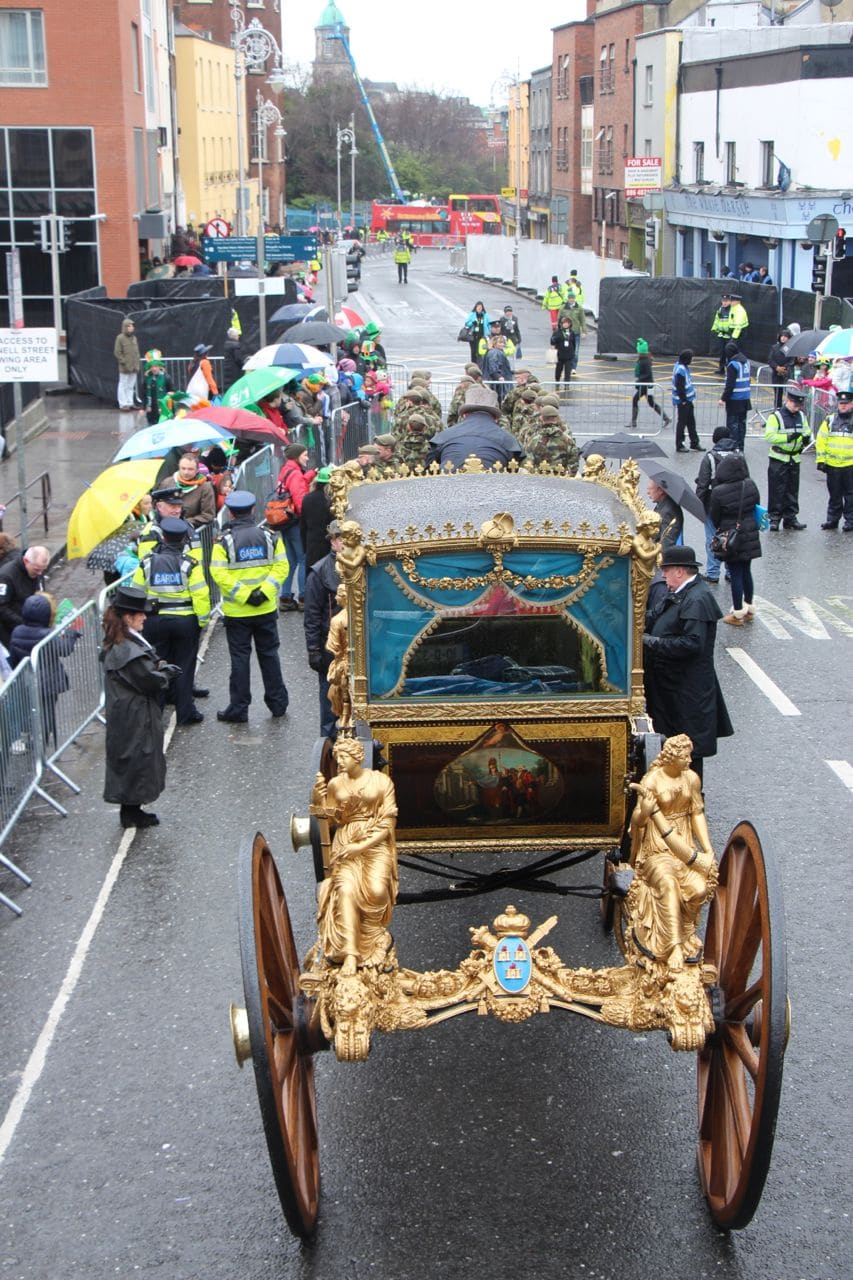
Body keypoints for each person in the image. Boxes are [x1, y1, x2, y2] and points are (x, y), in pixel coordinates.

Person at [642, 545, 733, 781]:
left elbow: (692, 644)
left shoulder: (697, 599)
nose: (663, 575)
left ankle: (691, 794)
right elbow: (654, 617)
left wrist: (652, 642)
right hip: (672, 685)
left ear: (679, 571)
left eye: (666, 570)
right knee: (671, 739)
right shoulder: (679, 592)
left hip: (687, 690)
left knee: (687, 746)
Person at [628, 735, 717, 972]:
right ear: (672, 757)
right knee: (668, 883)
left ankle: (685, 933)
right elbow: (637, 820)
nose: (689, 760)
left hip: (683, 844)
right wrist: (646, 811)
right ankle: (673, 946)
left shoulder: (691, 778)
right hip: (657, 845)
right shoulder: (652, 781)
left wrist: (707, 849)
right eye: (685, 756)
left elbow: (696, 813)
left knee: (698, 889)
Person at [311, 735, 398, 974]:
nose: (339, 761)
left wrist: (361, 847)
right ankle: (351, 952)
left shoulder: (381, 781)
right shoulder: (335, 785)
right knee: (346, 891)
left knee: (377, 891)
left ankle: (373, 936)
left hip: (374, 843)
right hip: (345, 843)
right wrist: (318, 800)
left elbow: (388, 821)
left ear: (357, 757)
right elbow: (329, 820)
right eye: (337, 757)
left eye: (344, 756)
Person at [210, 490, 289, 723]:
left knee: (240, 660)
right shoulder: (270, 537)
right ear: (253, 510)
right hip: (265, 610)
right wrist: (263, 592)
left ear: (231, 513)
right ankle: (278, 704)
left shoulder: (223, 542)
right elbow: (282, 567)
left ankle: (239, 708)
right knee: (270, 656)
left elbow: (218, 573)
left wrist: (244, 595)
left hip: (237, 613)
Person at [100, 585, 171, 829]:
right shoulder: (126, 648)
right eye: (140, 613)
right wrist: (166, 674)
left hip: (129, 711)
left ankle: (132, 810)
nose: (145, 617)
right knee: (137, 760)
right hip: (133, 715)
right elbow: (148, 679)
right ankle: (131, 813)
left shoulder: (123, 641)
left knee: (135, 759)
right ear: (128, 617)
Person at [132, 516, 210, 725]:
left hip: (154, 621)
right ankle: (186, 712)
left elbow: (136, 591)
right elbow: (201, 594)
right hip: (185, 621)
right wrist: (202, 621)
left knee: (157, 666)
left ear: (163, 538)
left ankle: (155, 713)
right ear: (184, 539)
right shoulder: (189, 564)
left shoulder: (147, 562)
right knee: (184, 666)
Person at [9, 592, 81, 748]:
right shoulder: (47, 635)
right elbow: (65, 650)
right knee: (47, 712)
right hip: (49, 682)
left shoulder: (17, 631)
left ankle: (30, 737)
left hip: (26, 680)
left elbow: (14, 658)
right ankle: (43, 744)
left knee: (29, 709)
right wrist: (71, 634)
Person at [708, 450, 762, 626]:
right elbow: (756, 504)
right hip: (750, 532)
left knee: (735, 572)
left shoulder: (718, 491)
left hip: (731, 535)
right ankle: (749, 607)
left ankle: (737, 613)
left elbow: (714, 516)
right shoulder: (750, 484)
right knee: (746, 570)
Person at [303, 521, 344, 738]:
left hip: (357, 642)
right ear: (332, 541)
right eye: (340, 539)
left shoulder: (361, 565)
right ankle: (330, 740)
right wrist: (313, 650)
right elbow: (312, 616)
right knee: (330, 696)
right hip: (331, 646)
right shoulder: (319, 573)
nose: (344, 544)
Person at [426, 386, 524, 471]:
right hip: (492, 485)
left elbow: (429, 470)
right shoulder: (508, 440)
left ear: (464, 415)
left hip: (449, 484)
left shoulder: (443, 437)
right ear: (496, 418)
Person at [694, 426, 738, 585]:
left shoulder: (709, 458)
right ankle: (731, 571)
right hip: (732, 503)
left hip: (712, 504)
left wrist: (698, 505)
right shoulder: (738, 455)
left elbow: (703, 484)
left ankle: (713, 573)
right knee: (731, 537)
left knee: (712, 537)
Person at [764, 382, 810, 531]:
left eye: (799, 406)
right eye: (795, 405)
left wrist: (806, 438)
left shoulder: (801, 416)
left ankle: (790, 518)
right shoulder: (776, 417)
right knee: (777, 490)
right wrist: (788, 437)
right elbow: (769, 436)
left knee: (792, 490)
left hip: (794, 458)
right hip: (779, 457)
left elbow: (806, 430)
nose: (797, 408)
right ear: (788, 401)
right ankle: (774, 518)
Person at [276, 443, 316, 611]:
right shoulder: (296, 474)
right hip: (295, 523)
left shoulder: (287, 470)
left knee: (291, 561)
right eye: (305, 455)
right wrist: (309, 520)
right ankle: (303, 597)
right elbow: (300, 501)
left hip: (285, 522)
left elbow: (296, 484)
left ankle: (285, 596)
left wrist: (310, 474)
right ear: (297, 456)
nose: (307, 457)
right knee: (303, 559)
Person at [815, 388, 853, 531]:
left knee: (851, 496)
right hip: (833, 465)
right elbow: (821, 440)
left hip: (850, 465)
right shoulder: (830, 419)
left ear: (852, 404)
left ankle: (850, 521)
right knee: (834, 495)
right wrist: (821, 460)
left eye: (846, 403)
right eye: (841, 403)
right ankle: (832, 520)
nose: (843, 406)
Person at [0, 545, 50, 649]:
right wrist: (24, 623)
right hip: (11, 632)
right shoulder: (6, 576)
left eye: (43, 569)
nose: (40, 573)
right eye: (37, 569)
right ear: (26, 561)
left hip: (33, 627)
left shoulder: (36, 569)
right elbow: (2, 607)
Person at [718, 340, 751, 451]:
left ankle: (733, 448)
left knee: (733, 425)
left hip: (735, 399)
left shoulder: (733, 365)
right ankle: (741, 447)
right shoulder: (746, 362)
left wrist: (723, 398)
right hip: (745, 398)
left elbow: (730, 385)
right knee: (742, 425)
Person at [631, 340, 670, 429]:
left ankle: (633, 421)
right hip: (648, 385)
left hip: (645, 385)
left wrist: (638, 381)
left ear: (640, 351)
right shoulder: (645, 359)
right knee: (651, 403)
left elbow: (647, 374)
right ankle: (666, 418)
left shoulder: (644, 361)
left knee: (635, 400)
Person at [171, 452, 216, 528]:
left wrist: (184, 523)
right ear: (178, 467)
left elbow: (208, 515)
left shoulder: (205, 487)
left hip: (191, 529)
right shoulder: (168, 482)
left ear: (197, 470)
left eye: (190, 469)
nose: (186, 472)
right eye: (183, 468)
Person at [301, 466, 334, 568]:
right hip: (329, 546)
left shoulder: (307, 498)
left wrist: (305, 548)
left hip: (312, 546)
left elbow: (303, 527)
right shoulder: (332, 500)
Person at [671, 349, 701, 452]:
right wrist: (683, 400)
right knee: (682, 423)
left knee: (691, 422)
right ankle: (680, 444)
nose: (692, 360)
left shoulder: (681, 367)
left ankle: (694, 442)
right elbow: (680, 386)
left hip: (688, 399)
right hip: (684, 401)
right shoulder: (681, 370)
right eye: (691, 358)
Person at [646, 478, 683, 551]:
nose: (648, 492)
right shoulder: (662, 505)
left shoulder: (668, 511)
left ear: (660, 491)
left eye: (650, 489)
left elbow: (666, 542)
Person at [114, 318, 140, 411]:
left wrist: (137, 363)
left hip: (134, 366)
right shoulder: (120, 338)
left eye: (132, 326)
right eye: (129, 326)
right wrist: (124, 362)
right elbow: (117, 352)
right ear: (125, 327)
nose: (131, 328)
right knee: (123, 385)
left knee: (130, 386)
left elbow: (136, 352)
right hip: (125, 367)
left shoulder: (134, 338)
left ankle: (130, 402)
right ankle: (123, 404)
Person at [482, 335, 513, 403]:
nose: (502, 344)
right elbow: (493, 367)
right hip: (496, 383)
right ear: (494, 343)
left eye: (503, 342)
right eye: (500, 342)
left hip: (495, 381)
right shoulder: (495, 353)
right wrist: (498, 377)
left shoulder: (494, 352)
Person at [768, 328, 793, 409]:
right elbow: (770, 360)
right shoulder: (774, 347)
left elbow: (791, 360)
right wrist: (777, 367)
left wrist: (784, 368)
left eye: (785, 336)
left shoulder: (790, 348)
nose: (783, 338)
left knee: (788, 393)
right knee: (777, 393)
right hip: (776, 374)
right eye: (782, 336)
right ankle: (777, 409)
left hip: (787, 374)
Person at [550, 317, 577, 387]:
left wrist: (573, 353)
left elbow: (573, 343)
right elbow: (552, 341)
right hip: (560, 355)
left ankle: (567, 384)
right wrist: (553, 348)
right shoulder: (557, 332)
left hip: (569, 355)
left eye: (567, 323)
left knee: (568, 371)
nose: (565, 324)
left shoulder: (572, 332)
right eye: (564, 323)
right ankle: (557, 381)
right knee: (559, 370)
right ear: (561, 324)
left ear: (570, 324)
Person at [710, 293, 732, 374]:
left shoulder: (732, 310)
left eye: (726, 301)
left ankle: (730, 370)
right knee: (722, 353)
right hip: (721, 335)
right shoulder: (720, 309)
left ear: (730, 301)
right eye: (723, 301)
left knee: (730, 353)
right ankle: (721, 369)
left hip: (729, 335)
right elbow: (717, 320)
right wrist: (714, 329)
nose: (724, 303)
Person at [463, 302, 490, 367]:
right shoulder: (472, 314)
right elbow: (467, 324)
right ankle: (473, 365)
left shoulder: (485, 315)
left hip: (482, 337)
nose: (479, 309)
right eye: (478, 307)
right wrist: (472, 323)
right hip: (473, 336)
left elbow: (489, 324)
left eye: (480, 307)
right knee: (473, 351)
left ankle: (480, 365)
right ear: (475, 307)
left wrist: (489, 333)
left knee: (481, 351)